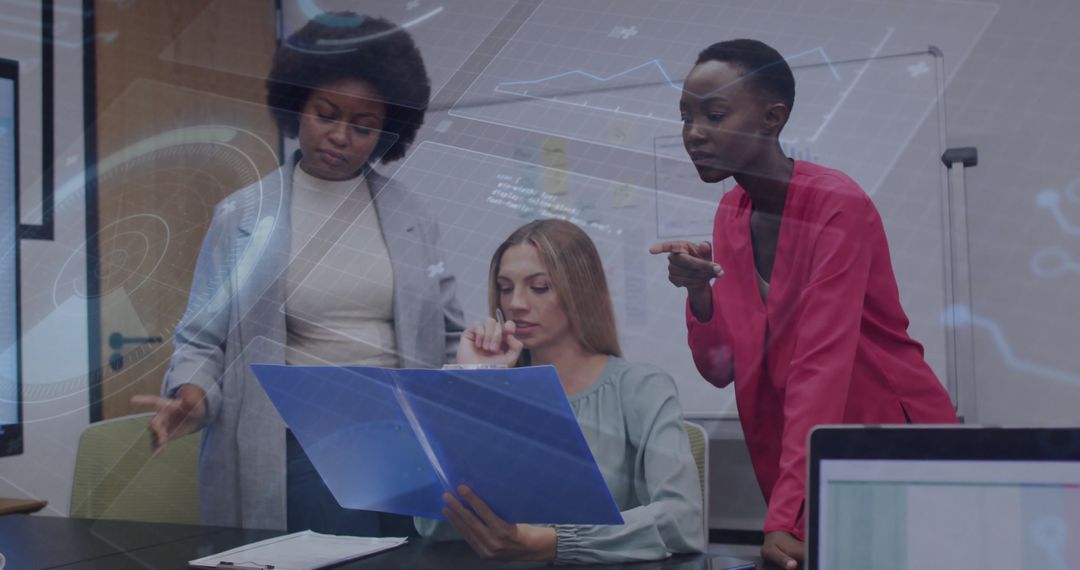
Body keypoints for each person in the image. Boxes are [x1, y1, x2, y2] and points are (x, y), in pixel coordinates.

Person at [131, 13, 464, 535]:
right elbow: (201, 339)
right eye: (326, 113)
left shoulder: (411, 216)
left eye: (363, 126)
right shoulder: (242, 216)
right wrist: (191, 395)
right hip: (304, 442)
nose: (340, 136)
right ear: (297, 104)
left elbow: (446, 334)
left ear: (387, 131)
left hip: (405, 440)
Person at [650, 39, 958, 569]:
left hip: (884, 440)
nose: (694, 132)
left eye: (715, 114)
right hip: (801, 456)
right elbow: (723, 368)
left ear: (772, 118)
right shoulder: (730, 214)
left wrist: (785, 518)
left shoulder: (837, 206)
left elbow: (822, 363)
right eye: (686, 116)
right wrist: (699, 293)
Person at [415, 219, 704, 564]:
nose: (516, 303)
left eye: (539, 287)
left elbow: (682, 520)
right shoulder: (497, 391)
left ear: (580, 290)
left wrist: (551, 543)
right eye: (505, 288)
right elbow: (433, 526)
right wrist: (478, 381)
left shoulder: (641, 388)